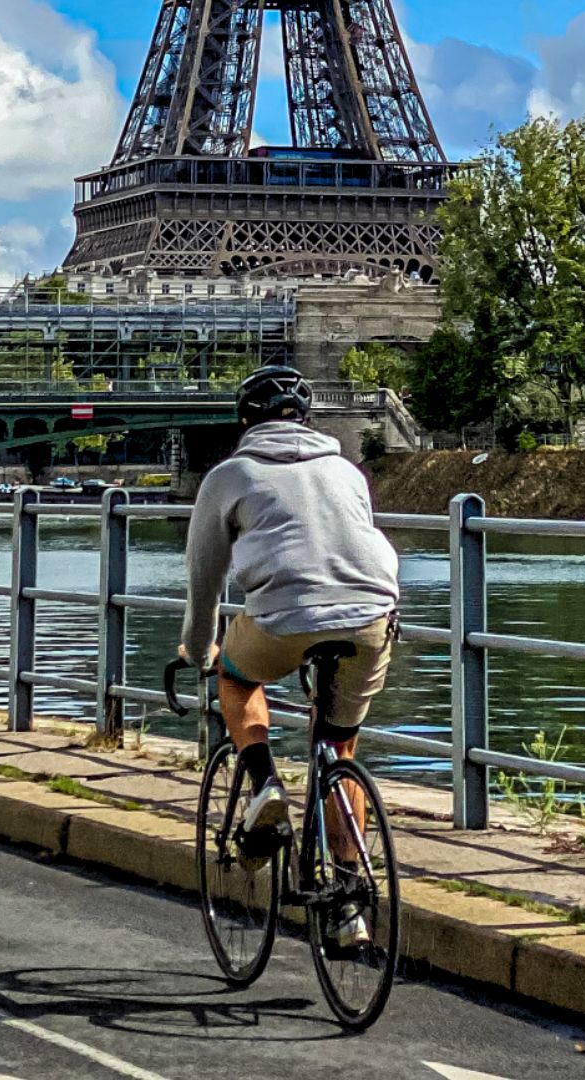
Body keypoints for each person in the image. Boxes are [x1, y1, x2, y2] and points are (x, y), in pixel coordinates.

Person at [179, 365, 399, 948]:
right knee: (339, 744)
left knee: (234, 676)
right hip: (371, 615)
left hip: (282, 618)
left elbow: (204, 581)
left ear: (243, 421)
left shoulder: (229, 475)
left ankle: (265, 786)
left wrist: (201, 650)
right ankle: (349, 904)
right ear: (307, 419)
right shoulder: (346, 470)